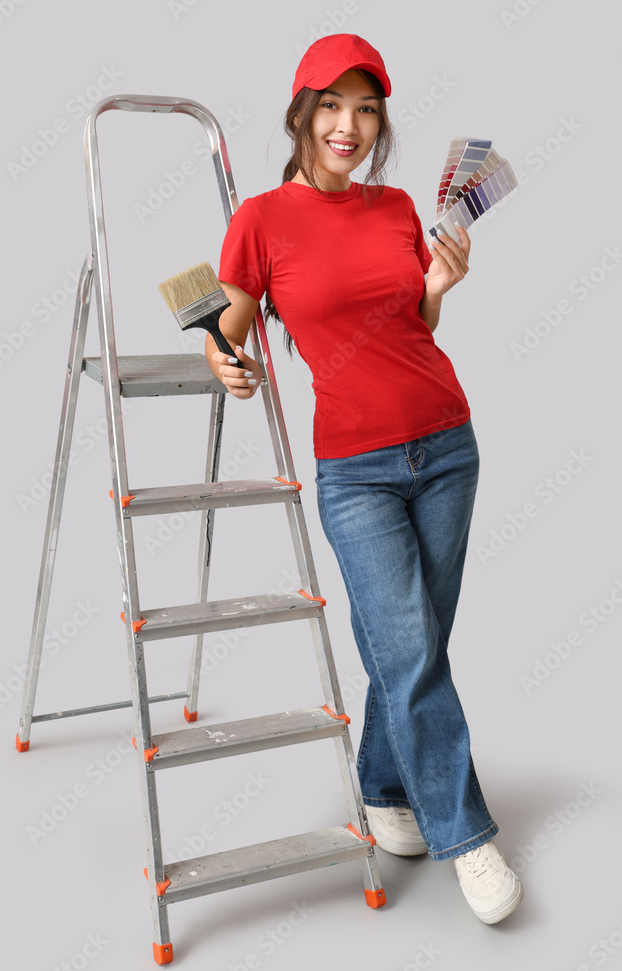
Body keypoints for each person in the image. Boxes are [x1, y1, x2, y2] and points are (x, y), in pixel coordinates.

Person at [205, 33, 523, 925]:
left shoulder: (392, 210)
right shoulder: (260, 221)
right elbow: (225, 330)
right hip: (356, 471)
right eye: (332, 105)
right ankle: (465, 835)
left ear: (379, 121)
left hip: (447, 443)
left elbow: (412, 329)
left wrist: (435, 287)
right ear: (301, 112)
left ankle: (385, 789)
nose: (348, 125)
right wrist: (225, 361)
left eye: (366, 108)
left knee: (412, 648)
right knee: (411, 651)